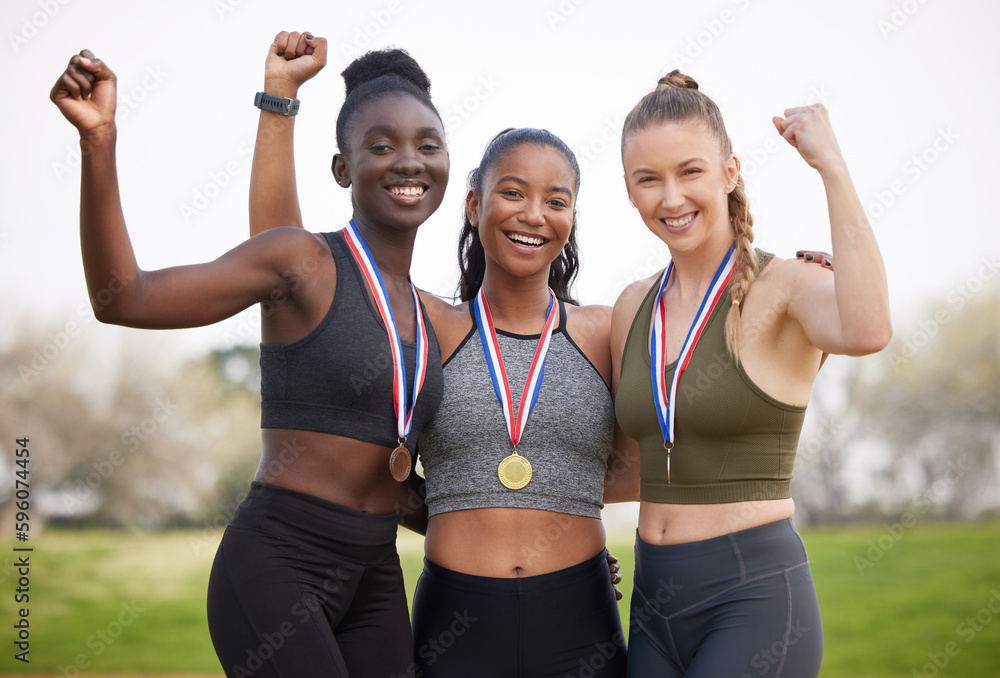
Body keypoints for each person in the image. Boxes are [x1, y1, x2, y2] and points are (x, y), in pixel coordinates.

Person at [50, 36, 449, 677]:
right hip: (278, 563)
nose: (409, 162)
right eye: (381, 146)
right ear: (343, 169)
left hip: (376, 574)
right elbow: (122, 298)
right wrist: (98, 141)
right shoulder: (303, 263)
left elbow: (420, 484)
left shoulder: (434, 318)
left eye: (428, 145)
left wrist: (542, 538)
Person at [248, 43, 632, 676]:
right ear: (475, 204)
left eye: (556, 200)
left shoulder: (603, 331)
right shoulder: (421, 322)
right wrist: (279, 104)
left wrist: (789, 277)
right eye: (512, 192)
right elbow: (281, 260)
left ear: (571, 218)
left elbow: (696, 365)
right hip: (457, 621)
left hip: (581, 618)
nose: (533, 214)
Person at [611, 71, 891, 677]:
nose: (671, 198)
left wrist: (832, 169)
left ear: (730, 172)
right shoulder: (632, 307)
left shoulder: (786, 286)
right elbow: (627, 461)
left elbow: (868, 330)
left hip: (754, 599)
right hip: (653, 602)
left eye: (690, 171)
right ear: (629, 191)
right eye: (648, 179)